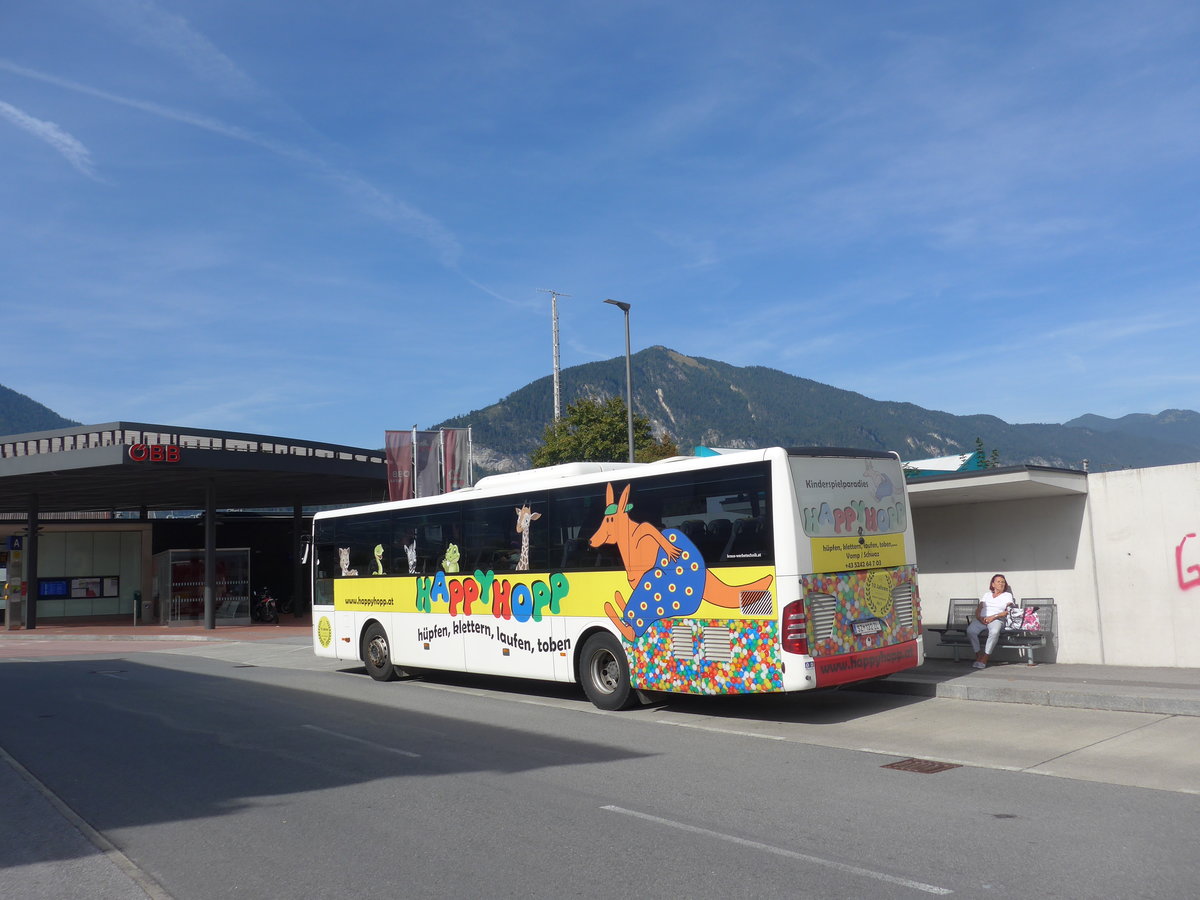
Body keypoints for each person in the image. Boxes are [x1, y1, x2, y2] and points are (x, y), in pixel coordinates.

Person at [967, 573, 1016, 669]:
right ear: (993, 584)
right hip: (982, 619)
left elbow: (1008, 611)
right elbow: (979, 608)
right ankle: (978, 655)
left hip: (997, 619)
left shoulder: (1007, 595)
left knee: (994, 632)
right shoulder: (987, 595)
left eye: (1003, 582)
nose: (1001, 584)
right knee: (970, 631)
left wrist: (993, 617)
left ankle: (985, 657)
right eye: (998, 582)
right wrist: (979, 617)